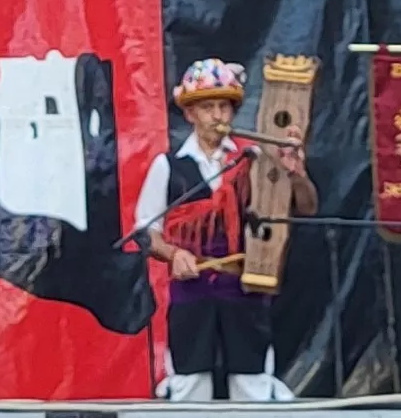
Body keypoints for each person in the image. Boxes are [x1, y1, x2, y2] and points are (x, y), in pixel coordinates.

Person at [134, 58, 315, 402]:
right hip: (192, 293)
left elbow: (306, 207)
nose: (217, 115)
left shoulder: (255, 160)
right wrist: (175, 254)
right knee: (190, 387)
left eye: (223, 107)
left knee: (252, 387)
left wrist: (295, 172)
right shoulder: (168, 167)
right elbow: (145, 232)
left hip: (244, 290)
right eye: (207, 107)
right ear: (190, 114)